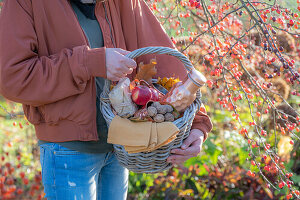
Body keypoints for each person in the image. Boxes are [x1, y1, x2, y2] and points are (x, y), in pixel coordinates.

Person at [0, 0, 213, 199]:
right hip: (67, 152)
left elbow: (167, 64)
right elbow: (12, 78)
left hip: (120, 149)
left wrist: (197, 124)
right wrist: (91, 62)